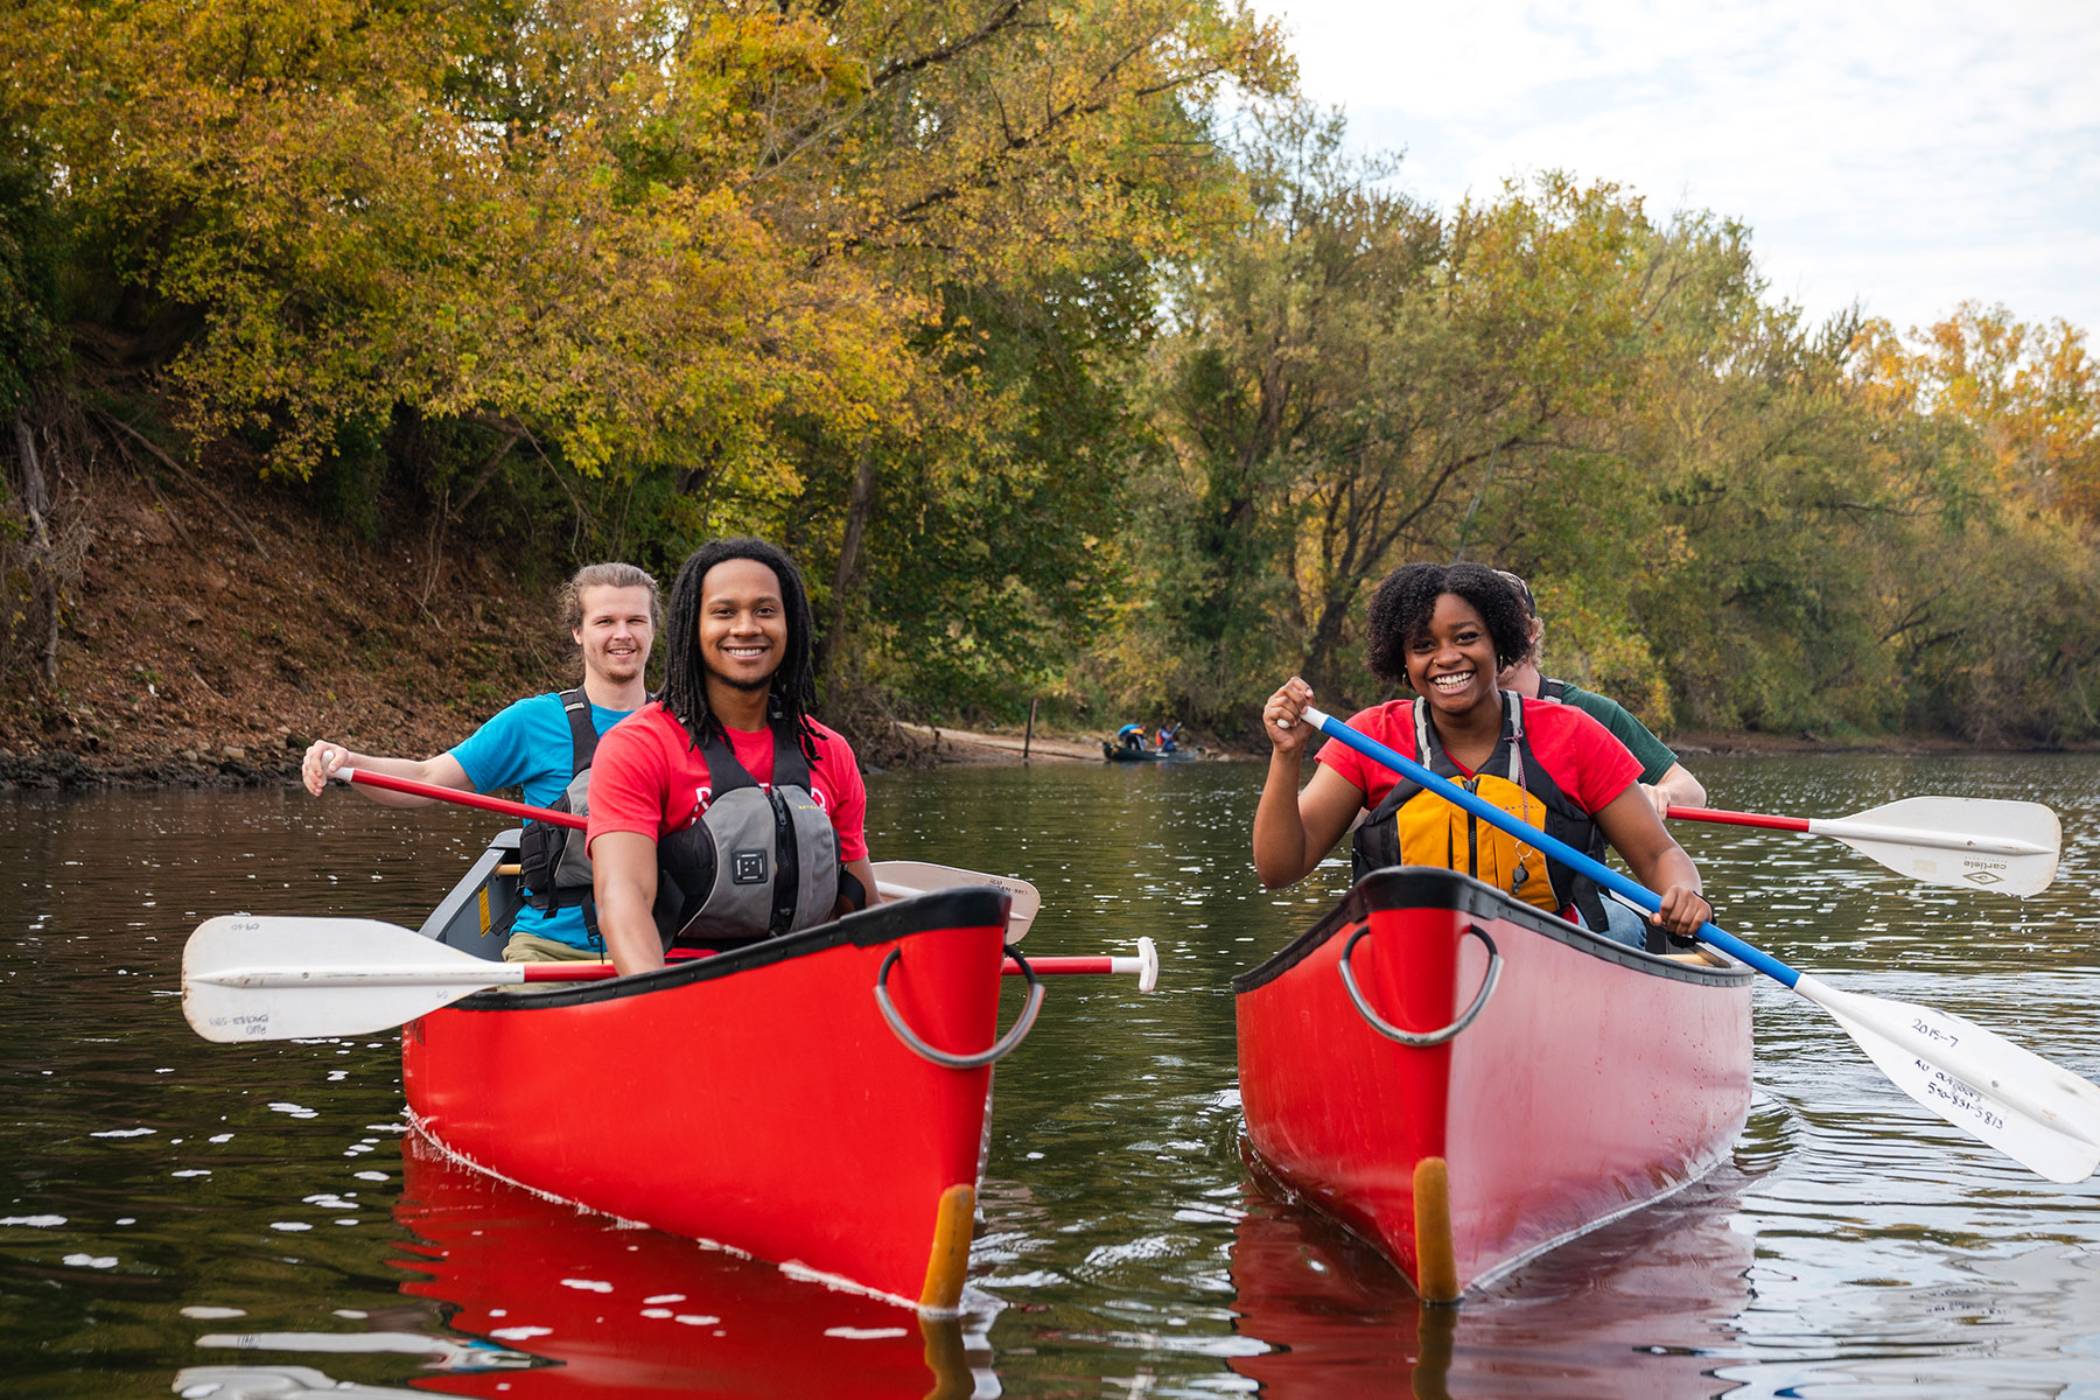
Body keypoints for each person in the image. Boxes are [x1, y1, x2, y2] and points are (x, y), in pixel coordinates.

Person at [1253, 560, 1712, 950]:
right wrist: (1285, 755)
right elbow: (1278, 868)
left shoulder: (1574, 735)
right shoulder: (1371, 737)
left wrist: (1684, 894)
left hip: (1555, 957)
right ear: (1403, 660)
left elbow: (1658, 857)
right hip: (1403, 958)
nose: (1447, 658)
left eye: (1466, 637)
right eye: (1424, 646)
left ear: (1500, 643)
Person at [301, 562, 658, 962]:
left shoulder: (682, 726)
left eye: (635, 620)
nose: (622, 634)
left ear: (652, 630)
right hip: (553, 950)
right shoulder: (532, 723)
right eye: (605, 621)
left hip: (664, 947)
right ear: (578, 631)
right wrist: (350, 763)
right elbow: (426, 777)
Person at [587, 537, 876, 975]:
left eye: (765, 611)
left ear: (790, 623)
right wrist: (660, 1007)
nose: (746, 628)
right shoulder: (637, 747)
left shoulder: (830, 752)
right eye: (724, 612)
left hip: (803, 991)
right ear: (693, 626)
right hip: (683, 989)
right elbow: (622, 902)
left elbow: (860, 903)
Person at [1492, 570, 1707, 817]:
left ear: (1531, 633)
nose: (1498, 640)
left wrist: (1663, 793)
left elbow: (1693, 792)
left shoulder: (1590, 712)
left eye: (1508, 626)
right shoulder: (1445, 713)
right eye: (1484, 629)